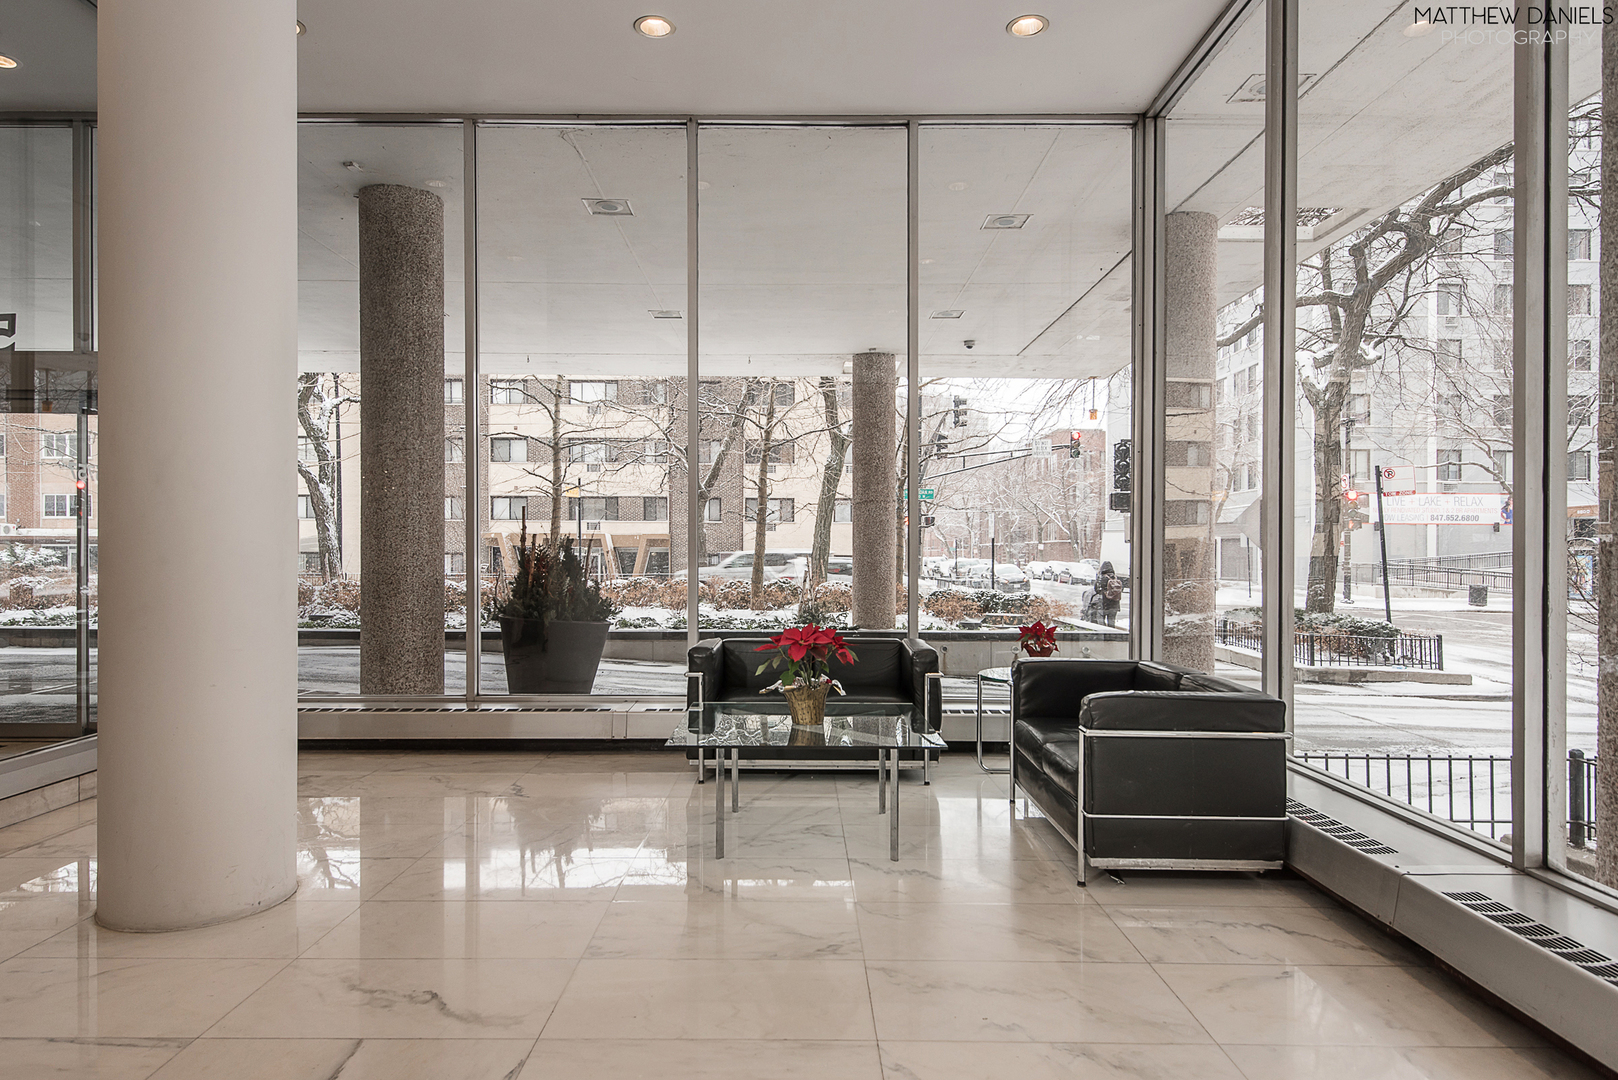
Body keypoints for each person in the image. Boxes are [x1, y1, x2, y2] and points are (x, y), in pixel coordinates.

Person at [1094, 561, 1122, 627]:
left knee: (1101, 621)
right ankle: (1112, 634)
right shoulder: (1116, 578)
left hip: (1104, 603)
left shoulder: (1102, 578)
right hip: (1115, 603)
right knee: (1111, 621)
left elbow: (1096, 589)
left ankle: (1104, 635)